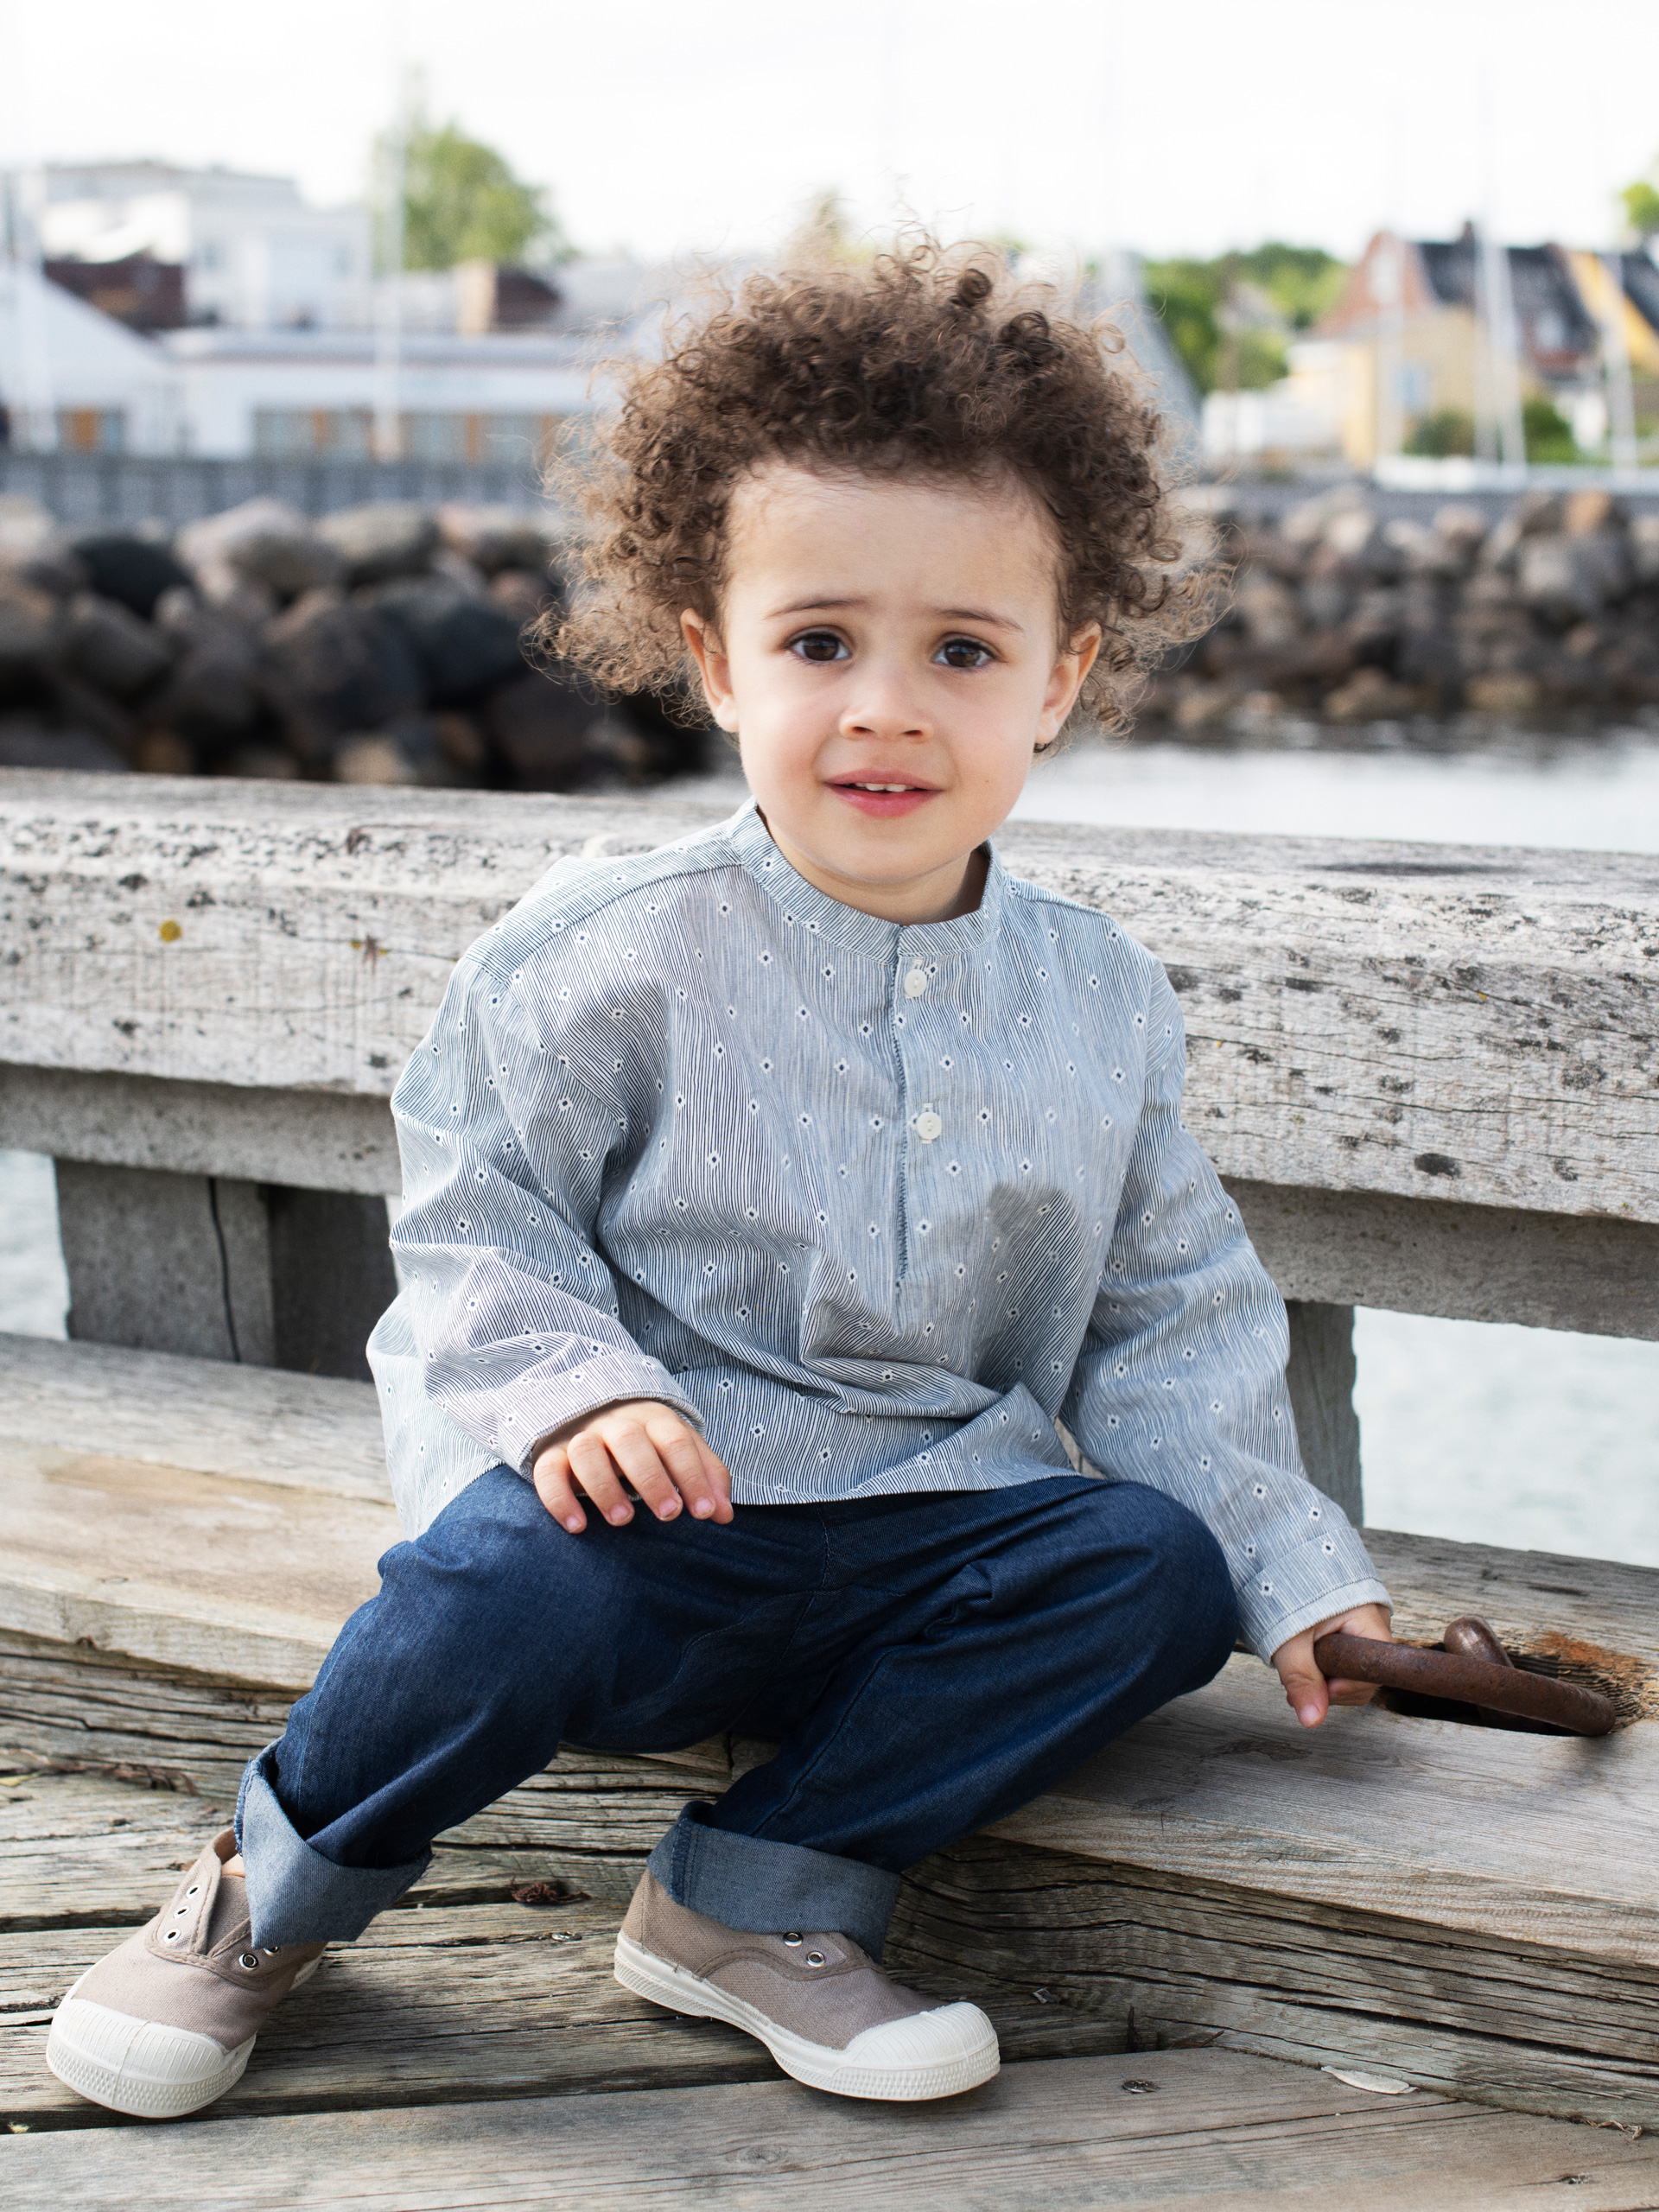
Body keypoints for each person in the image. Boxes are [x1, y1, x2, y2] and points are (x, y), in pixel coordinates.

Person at [46, 244, 1393, 2120]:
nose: (887, 709)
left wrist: (1298, 1576)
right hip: (642, 1529)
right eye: (820, 642)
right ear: (714, 659)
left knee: (1155, 1573)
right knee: (495, 1589)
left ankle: (756, 1893)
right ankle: (266, 1891)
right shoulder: (603, 949)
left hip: (932, 1537)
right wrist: (575, 1391)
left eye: (965, 652)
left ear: (1062, 677)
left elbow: (1170, 1317)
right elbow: (474, 1211)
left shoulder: (1100, 997)